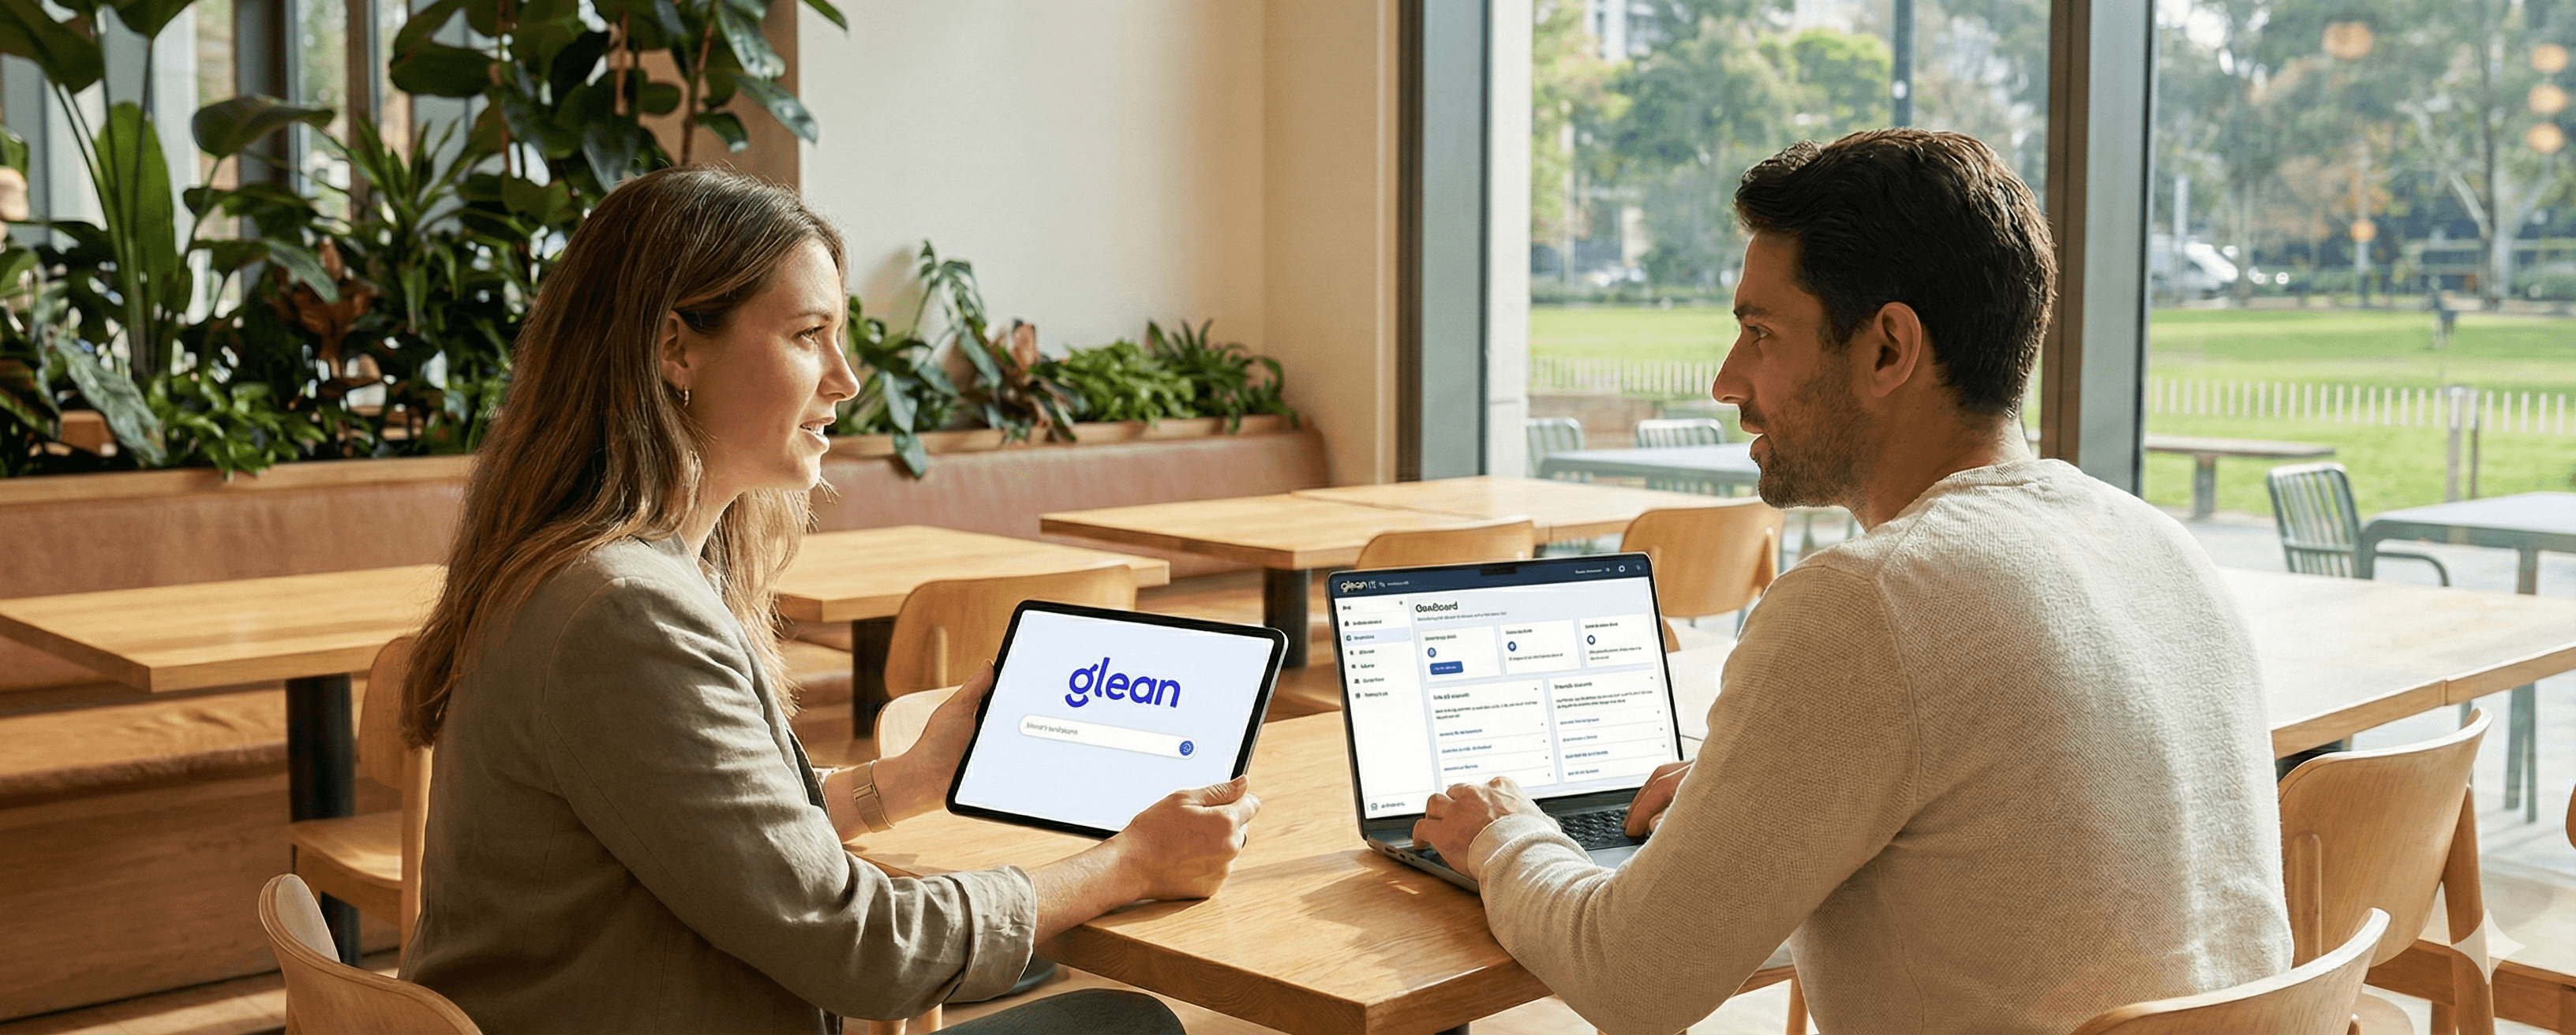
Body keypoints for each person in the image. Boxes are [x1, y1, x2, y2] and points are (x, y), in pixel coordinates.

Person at [1410, 129, 2293, 1033]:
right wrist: (1753, 803)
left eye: (1760, 334)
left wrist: (1501, 835)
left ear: (1887, 349)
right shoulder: (2160, 544)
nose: (1727, 382)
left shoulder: (1869, 602)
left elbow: (1632, 981)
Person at [397, 166, 1257, 1034]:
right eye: (810, 335)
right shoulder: (626, 613)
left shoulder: (605, 573)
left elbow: (734, 848)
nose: (845, 379)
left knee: (1042, 957)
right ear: (675, 349)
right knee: (1120, 1024)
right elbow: (862, 951)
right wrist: (1131, 865)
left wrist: (909, 780)